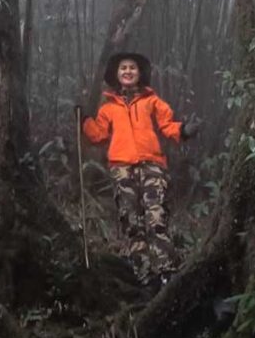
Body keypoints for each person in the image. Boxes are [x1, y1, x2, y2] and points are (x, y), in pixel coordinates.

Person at [81, 52, 198, 287]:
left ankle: (166, 272)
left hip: (151, 164)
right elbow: (98, 134)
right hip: (122, 168)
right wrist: (84, 121)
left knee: (155, 216)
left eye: (132, 68)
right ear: (116, 74)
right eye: (123, 68)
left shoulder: (151, 101)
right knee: (132, 221)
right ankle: (144, 275)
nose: (127, 71)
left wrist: (184, 130)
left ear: (139, 73)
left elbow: (167, 125)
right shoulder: (108, 108)